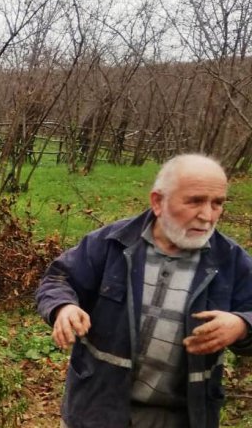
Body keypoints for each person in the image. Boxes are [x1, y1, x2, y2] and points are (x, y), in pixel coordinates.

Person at [35, 154, 252, 428]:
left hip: (183, 417)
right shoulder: (112, 243)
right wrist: (63, 307)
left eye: (217, 203)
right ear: (158, 202)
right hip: (97, 410)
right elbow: (59, 279)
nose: (207, 216)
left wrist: (242, 325)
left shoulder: (231, 261)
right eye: (194, 201)